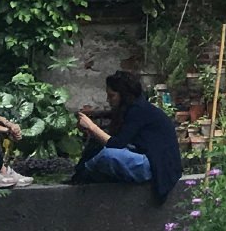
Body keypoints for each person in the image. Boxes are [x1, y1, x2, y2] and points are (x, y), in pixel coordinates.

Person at [73, 69, 182, 201]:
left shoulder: (139, 110)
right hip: (146, 159)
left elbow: (116, 144)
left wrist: (92, 127)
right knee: (98, 146)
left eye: (112, 96)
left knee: (107, 156)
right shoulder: (132, 109)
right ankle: (82, 174)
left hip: (156, 168)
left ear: (123, 95)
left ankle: (83, 176)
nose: (108, 100)